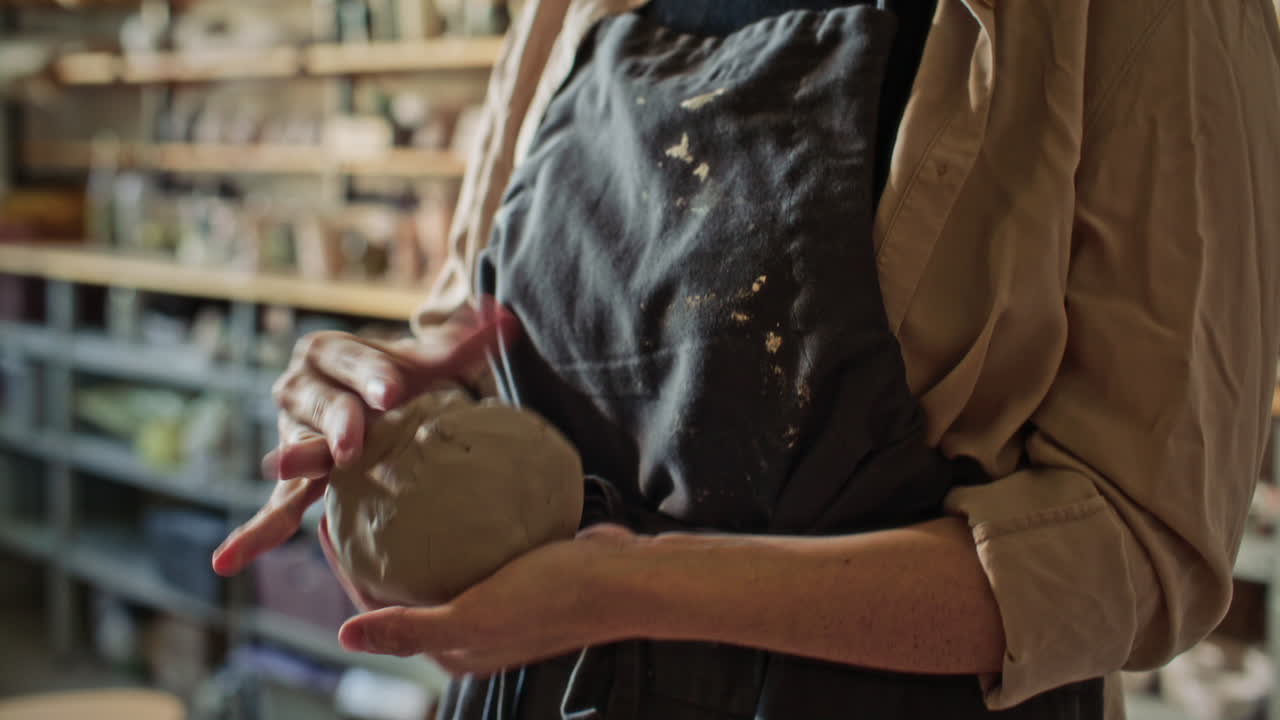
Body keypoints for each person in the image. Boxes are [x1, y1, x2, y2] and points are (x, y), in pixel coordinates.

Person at [212, 1, 1280, 718]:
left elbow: (1144, 552)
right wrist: (374, 398)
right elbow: (466, 326)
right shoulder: (565, 12)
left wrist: (646, 592)